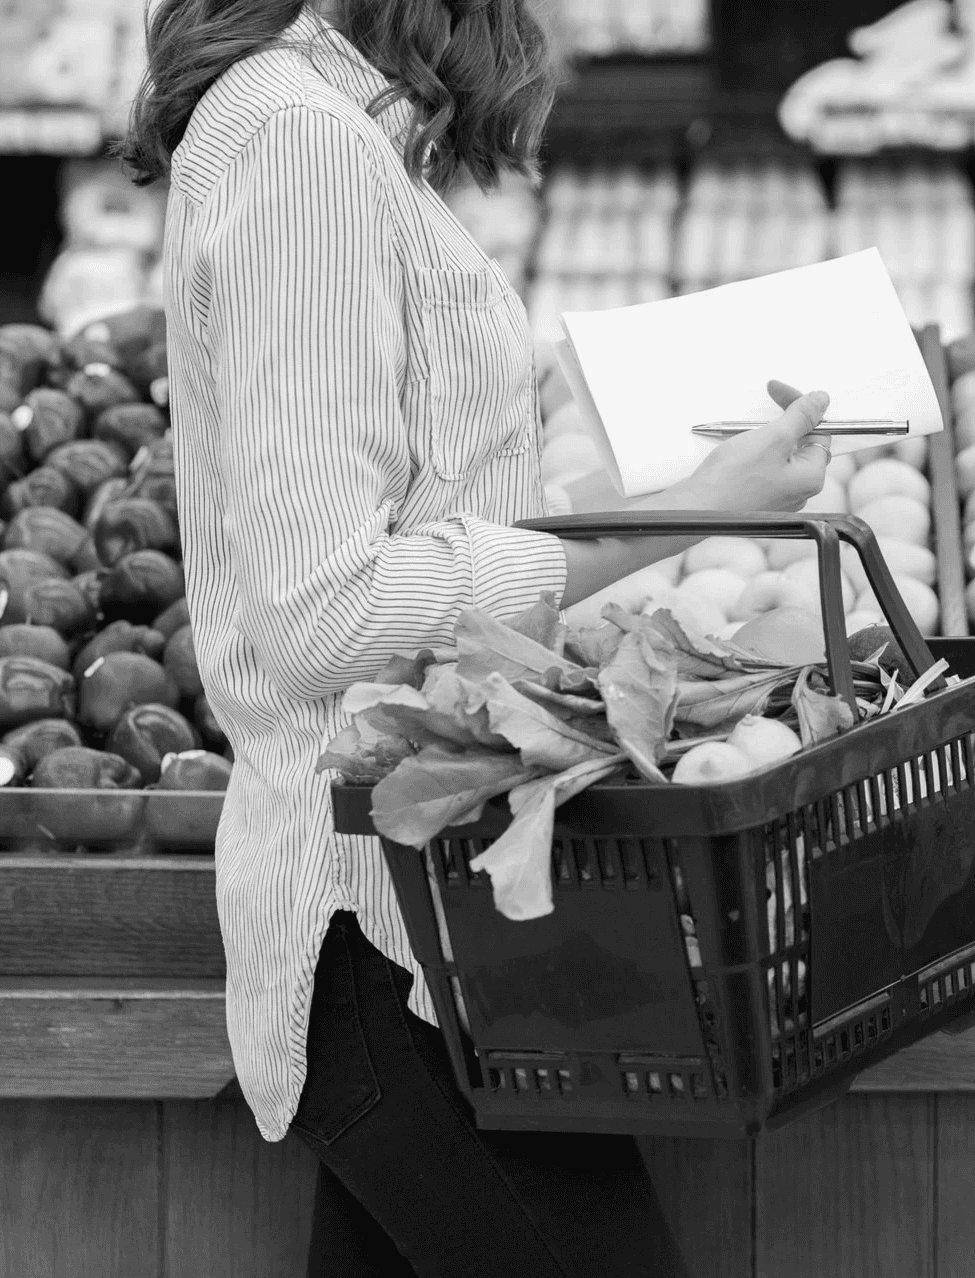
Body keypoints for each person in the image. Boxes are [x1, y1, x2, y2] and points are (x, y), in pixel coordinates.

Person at [122, 2, 831, 1272]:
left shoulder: (326, 120)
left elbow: (399, 507)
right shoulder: (299, 142)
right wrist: (684, 515)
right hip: (382, 927)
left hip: (435, 904)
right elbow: (323, 611)